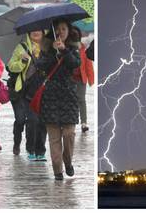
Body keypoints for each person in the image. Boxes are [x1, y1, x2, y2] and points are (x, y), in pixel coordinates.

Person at [37, 19, 81, 180]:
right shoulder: (46, 48)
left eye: (64, 29)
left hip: (69, 97)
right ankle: (57, 172)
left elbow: (75, 64)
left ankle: (68, 162)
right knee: (54, 138)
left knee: (69, 134)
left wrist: (64, 51)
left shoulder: (73, 48)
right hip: (50, 98)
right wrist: (51, 53)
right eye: (58, 29)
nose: (61, 32)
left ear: (69, 31)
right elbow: (40, 65)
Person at [8, 30, 47, 161]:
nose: (36, 32)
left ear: (43, 32)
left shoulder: (48, 47)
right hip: (27, 91)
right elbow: (11, 66)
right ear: (28, 32)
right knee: (32, 121)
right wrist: (22, 62)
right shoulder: (22, 47)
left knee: (42, 122)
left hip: (44, 90)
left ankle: (41, 150)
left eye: (39, 30)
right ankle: (30, 149)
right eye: (33, 30)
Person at [72, 27, 94, 132]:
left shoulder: (83, 49)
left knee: (81, 100)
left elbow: (88, 64)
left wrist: (91, 78)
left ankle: (84, 123)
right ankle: (71, 121)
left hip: (81, 79)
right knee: (71, 100)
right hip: (69, 79)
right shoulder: (67, 48)